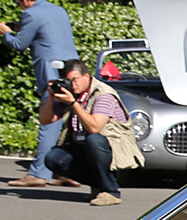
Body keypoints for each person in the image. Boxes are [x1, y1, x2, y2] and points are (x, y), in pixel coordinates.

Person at [0, 0, 79, 189]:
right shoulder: (59, 10)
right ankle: (66, 171)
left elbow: (19, 44)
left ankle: (37, 174)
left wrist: (6, 32)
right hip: (72, 71)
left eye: (19, 3)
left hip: (50, 73)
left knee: (49, 121)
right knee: (68, 124)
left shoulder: (30, 14)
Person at [37, 58, 128, 206]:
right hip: (82, 145)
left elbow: (94, 127)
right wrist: (50, 96)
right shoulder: (72, 92)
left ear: (86, 76)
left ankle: (112, 192)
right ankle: (99, 186)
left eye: (75, 79)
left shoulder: (103, 94)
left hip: (113, 147)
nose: (73, 84)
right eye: (68, 80)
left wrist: (73, 103)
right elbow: (46, 120)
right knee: (53, 158)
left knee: (94, 139)